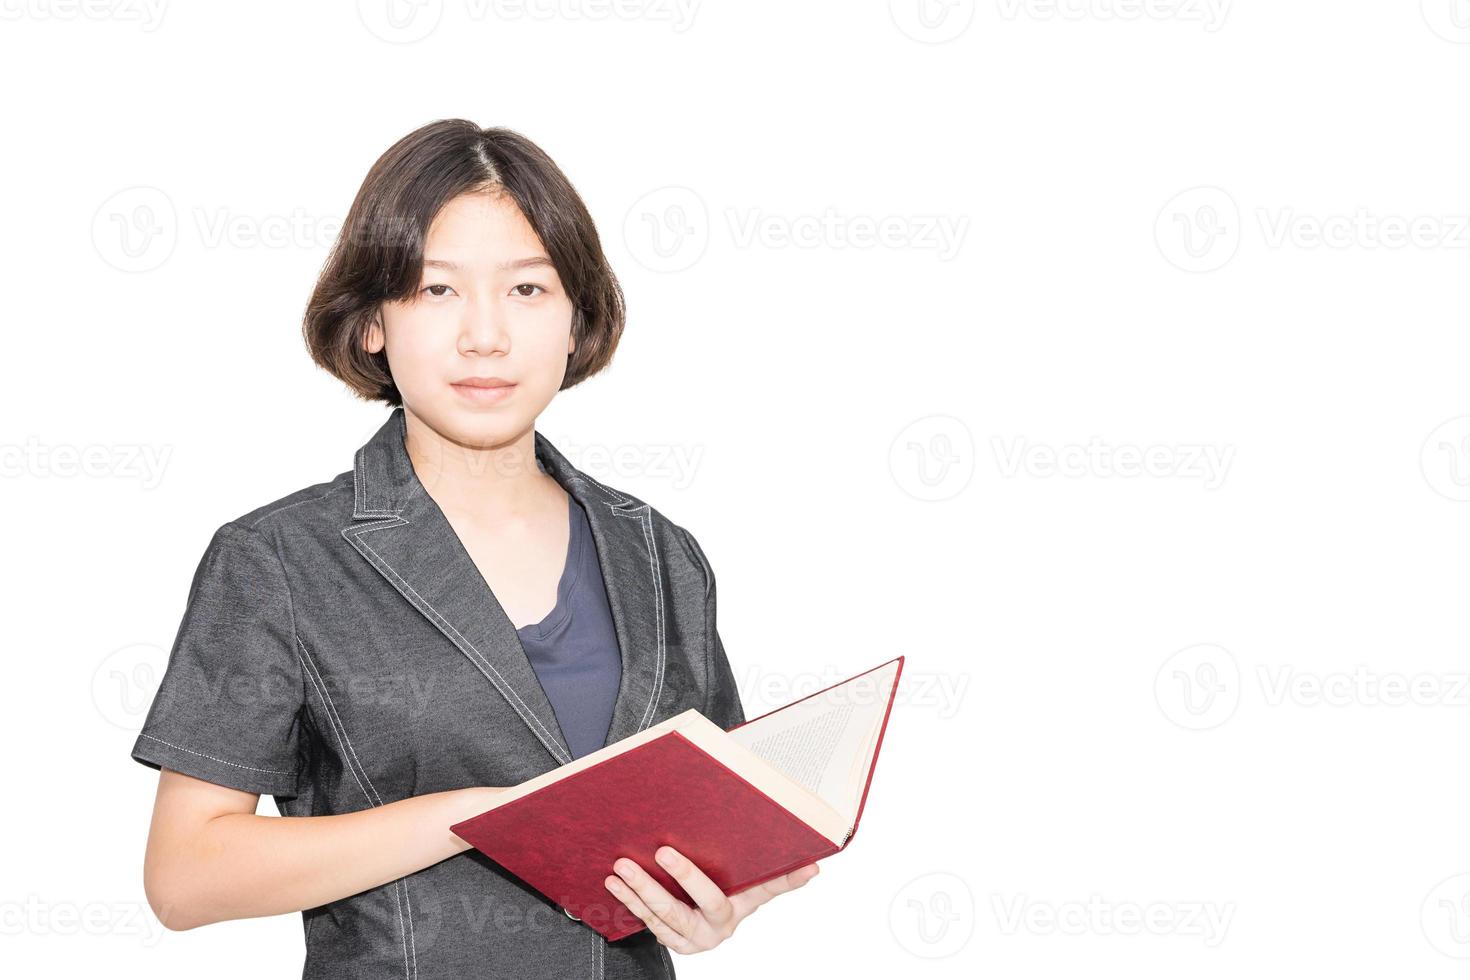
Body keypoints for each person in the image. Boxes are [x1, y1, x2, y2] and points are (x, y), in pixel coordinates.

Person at [130, 119, 819, 980]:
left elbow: (712, 823)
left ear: (577, 319)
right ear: (373, 321)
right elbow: (185, 877)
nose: (485, 335)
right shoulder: (279, 559)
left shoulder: (658, 553)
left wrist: (717, 899)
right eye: (435, 290)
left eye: (528, 290)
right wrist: (476, 816)